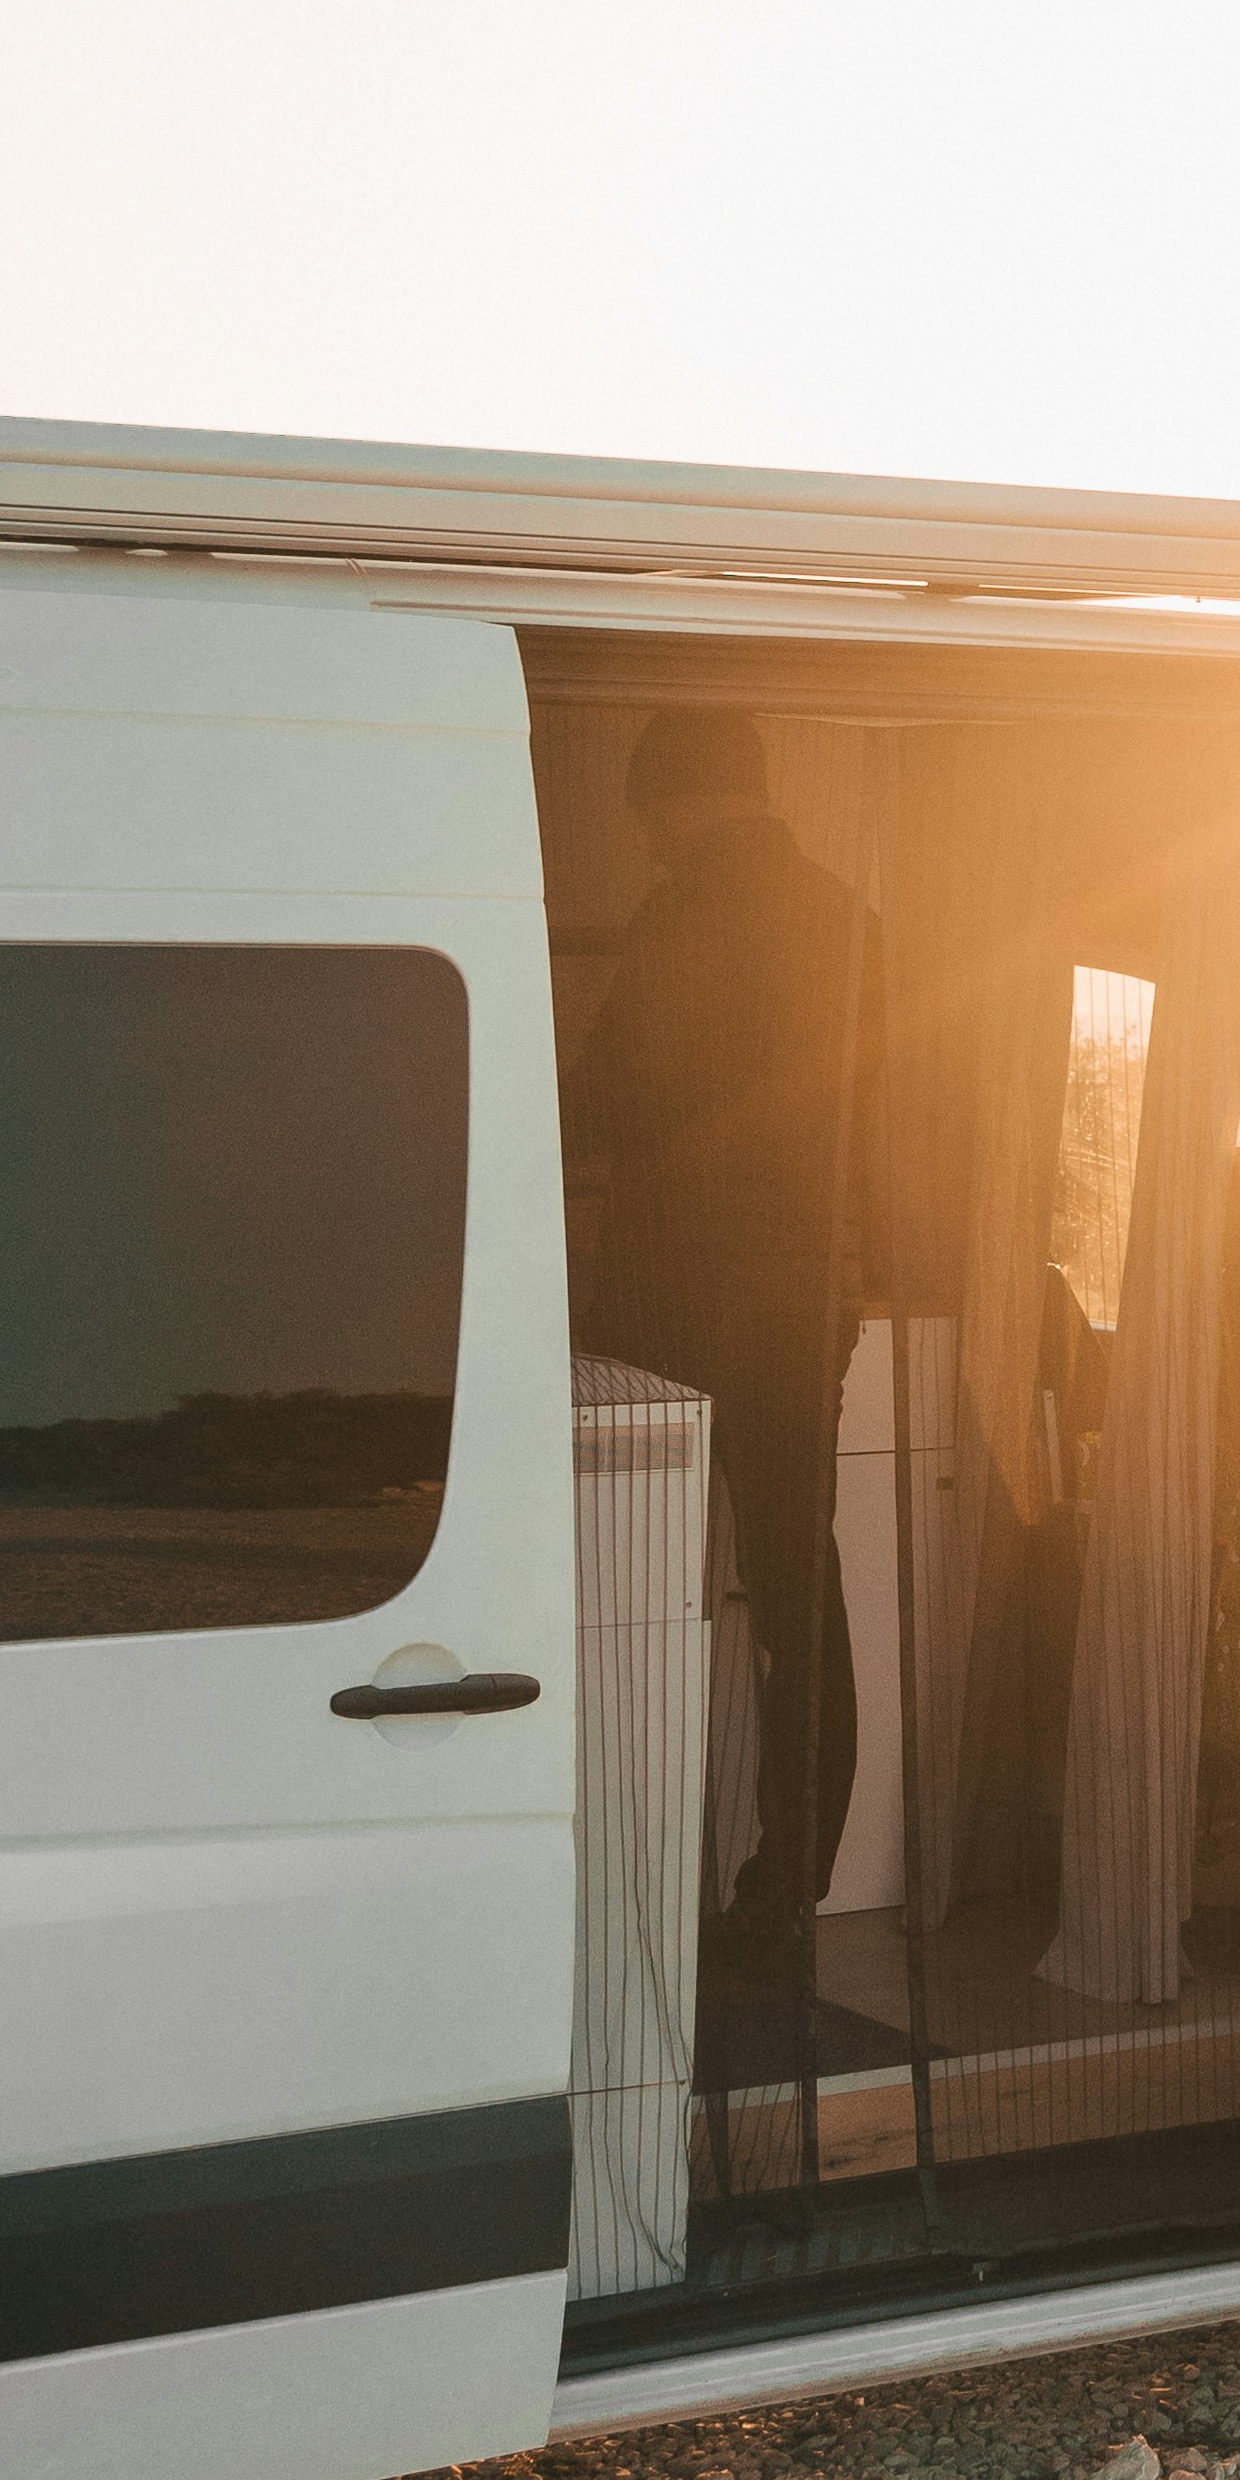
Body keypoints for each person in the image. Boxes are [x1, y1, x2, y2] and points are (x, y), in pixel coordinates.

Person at [566, 708, 883, 1977]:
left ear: (681, 803)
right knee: (800, 1588)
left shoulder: (682, 914)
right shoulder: (850, 919)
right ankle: (788, 1879)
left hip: (681, 1294)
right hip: (807, 1298)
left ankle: (627, 1866)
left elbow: (614, 1092)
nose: (643, 844)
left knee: (633, 1583)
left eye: (650, 814)